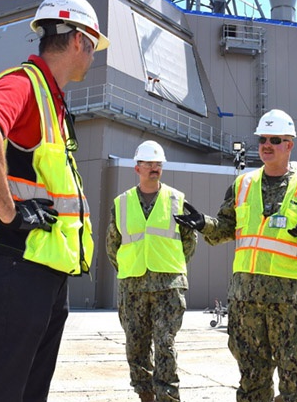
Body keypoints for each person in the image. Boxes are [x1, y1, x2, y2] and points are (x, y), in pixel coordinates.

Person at [0, 0, 109, 402]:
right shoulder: (24, 84)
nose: (94, 55)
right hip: (16, 264)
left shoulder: (52, 101)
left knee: (28, 392)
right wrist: (9, 211)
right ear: (78, 39)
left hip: (42, 269)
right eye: (93, 45)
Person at [173, 109, 297, 402]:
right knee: (252, 379)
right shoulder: (242, 185)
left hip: (292, 301)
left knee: (295, 380)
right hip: (246, 298)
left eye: (275, 139)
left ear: (290, 145)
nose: (267, 145)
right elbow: (227, 228)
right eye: (263, 138)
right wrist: (204, 224)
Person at [106, 140, 198, 402]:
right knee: (136, 345)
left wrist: (171, 266)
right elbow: (112, 245)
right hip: (132, 285)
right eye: (148, 163)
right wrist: (129, 267)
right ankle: (145, 394)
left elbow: (189, 241)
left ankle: (168, 396)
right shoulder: (121, 203)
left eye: (158, 163)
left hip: (168, 285)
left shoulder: (177, 200)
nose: (154, 167)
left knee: (165, 343)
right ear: (137, 168)